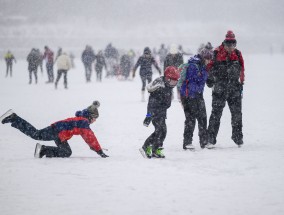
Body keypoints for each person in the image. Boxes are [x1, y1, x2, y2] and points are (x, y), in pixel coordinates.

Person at [0, 101, 109, 158]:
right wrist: (99, 151)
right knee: (36, 134)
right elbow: (89, 137)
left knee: (66, 152)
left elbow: (88, 136)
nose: (94, 121)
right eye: (94, 119)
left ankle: (42, 150)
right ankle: (14, 118)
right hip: (57, 131)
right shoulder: (83, 122)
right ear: (90, 117)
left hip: (61, 135)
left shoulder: (81, 119)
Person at [206, 30, 245, 148]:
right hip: (220, 88)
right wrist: (210, 79)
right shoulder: (217, 52)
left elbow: (242, 70)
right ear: (225, 43)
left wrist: (241, 84)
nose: (231, 47)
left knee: (237, 114)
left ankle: (238, 138)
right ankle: (210, 139)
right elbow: (209, 67)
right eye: (229, 44)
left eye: (233, 45)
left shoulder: (238, 54)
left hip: (234, 89)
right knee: (216, 114)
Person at [139, 66, 180, 158]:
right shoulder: (159, 88)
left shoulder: (168, 86)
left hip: (161, 113)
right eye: (173, 81)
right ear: (167, 78)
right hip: (155, 114)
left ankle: (156, 149)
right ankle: (145, 147)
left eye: (176, 81)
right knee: (159, 131)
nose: (174, 84)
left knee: (163, 132)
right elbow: (151, 104)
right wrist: (148, 116)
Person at [177, 47, 213, 150]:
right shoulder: (193, 66)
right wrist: (205, 74)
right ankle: (187, 142)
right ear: (203, 57)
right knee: (191, 119)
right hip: (189, 95)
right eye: (208, 58)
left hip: (197, 95)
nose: (209, 61)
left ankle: (203, 142)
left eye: (210, 59)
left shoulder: (202, 66)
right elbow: (192, 82)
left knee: (202, 118)